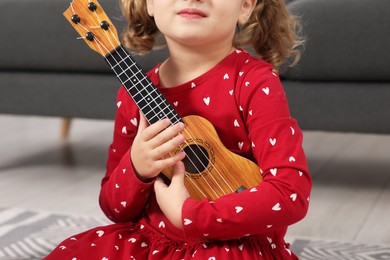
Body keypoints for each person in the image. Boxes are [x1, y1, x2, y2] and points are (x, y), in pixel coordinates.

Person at [45, 0, 312, 259]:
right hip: (151, 243)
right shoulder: (134, 96)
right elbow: (114, 208)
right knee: (78, 251)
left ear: (245, 6)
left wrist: (189, 215)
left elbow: (290, 194)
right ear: (149, 3)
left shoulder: (255, 83)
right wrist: (136, 167)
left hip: (232, 246)